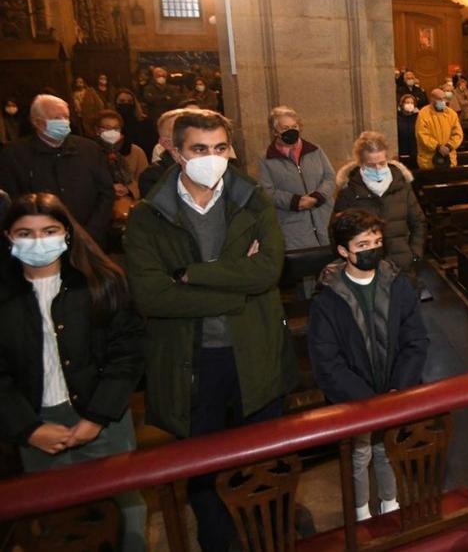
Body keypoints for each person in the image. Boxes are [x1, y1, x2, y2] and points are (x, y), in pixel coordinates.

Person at [123, 110, 296, 552]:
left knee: (266, 463)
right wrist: (233, 286)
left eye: (220, 148)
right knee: (203, 473)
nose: (212, 158)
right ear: (177, 153)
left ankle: (272, 539)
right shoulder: (149, 216)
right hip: (194, 360)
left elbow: (266, 272)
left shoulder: (251, 199)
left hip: (254, 352)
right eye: (200, 149)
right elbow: (152, 296)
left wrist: (191, 274)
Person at [0, 193, 146, 551]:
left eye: (49, 230)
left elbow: (126, 353)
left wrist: (97, 417)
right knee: (59, 523)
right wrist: (28, 428)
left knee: (125, 512)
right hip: (38, 422)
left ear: (66, 233)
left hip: (102, 417)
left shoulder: (101, 282)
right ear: (8, 237)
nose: (38, 242)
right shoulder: (4, 294)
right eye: (25, 233)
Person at [307, 209, 429, 521]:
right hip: (355, 398)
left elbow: (415, 340)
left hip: (393, 388)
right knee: (358, 455)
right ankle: (360, 511)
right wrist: (367, 401)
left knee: (387, 449)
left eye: (376, 241)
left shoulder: (399, 285)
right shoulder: (328, 299)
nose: (372, 249)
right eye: (363, 245)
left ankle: (390, 503)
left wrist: (397, 390)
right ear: (343, 251)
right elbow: (327, 361)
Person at [0, 95, 114, 248]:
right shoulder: (14, 154)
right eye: (56, 117)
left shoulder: (89, 149)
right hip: (41, 243)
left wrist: (93, 231)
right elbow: (12, 200)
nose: (63, 122)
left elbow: (106, 192)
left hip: (91, 240)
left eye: (66, 117)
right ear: (37, 122)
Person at [334, 132, 427, 283]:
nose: (377, 169)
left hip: (402, 264)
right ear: (361, 163)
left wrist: (414, 254)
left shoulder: (402, 185)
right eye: (371, 165)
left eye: (382, 163)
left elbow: (418, 222)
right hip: (366, 268)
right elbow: (337, 232)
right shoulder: (349, 191)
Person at [257, 106, 336, 251]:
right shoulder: (266, 159)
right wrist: (296, 202)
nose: (292, 130)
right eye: (285, 127)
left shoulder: (315, 150)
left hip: (324, 218)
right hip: (292, 226)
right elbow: (267, 191)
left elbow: (329, 177)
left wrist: (317, 197)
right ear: (275, 131)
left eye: (294, 126)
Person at [95, 110, 149, 222]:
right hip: (100, 210)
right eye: (106, 128)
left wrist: (129, 189)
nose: (112, 132)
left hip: (131, 209)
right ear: (97, 130)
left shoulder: (135, 151)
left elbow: (145, 180)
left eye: (116, 128)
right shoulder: (90, 152)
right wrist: (109, 189)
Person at [415, 88, 464, 169]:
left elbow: (458, 134)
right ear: (432, 99)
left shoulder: (452, 114)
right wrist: (438, 147)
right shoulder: (423, 114)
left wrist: (449, 146)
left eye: (444, 98)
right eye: (440, 99)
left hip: (449, 159)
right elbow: (422, 135)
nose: (443, 101)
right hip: (428, 160)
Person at [396, 93, 419, 159]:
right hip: (401, 150)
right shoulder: (397, 118)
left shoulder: (418, 117)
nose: (410, 105)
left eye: (412, 103)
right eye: (407, 102)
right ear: (402, 104)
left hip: (415, 151)